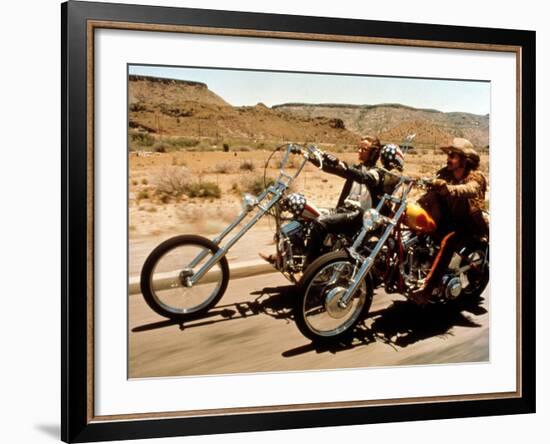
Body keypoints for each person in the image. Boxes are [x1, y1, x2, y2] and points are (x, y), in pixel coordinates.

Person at [411, 137, 489, 305]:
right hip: (448, 219)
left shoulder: (476, 176)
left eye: (453, 155)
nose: (448, 158)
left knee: (448, 242)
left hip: (469, 224)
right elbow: (432, 185)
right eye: (449, 155)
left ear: (464, 159)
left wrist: (449, 189)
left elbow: (470, 189)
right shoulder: (445, 172)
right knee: (418, 227)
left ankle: (427, 289)